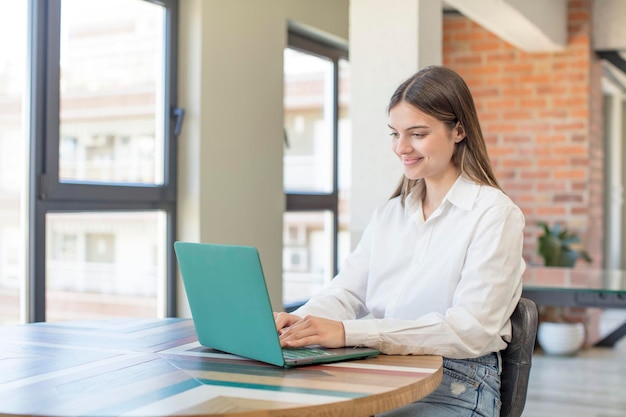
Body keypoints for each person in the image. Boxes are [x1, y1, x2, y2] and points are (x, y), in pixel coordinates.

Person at [274, 65, 525, 417]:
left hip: (454, 381)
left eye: (417, 134)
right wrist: (298, 324)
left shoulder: (494, 214)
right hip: (375, 371)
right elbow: (346, 293)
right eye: (395, 133)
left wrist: (349, 333)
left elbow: (472, 330)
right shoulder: (390, 214)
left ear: (459, 131)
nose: (401, 147)